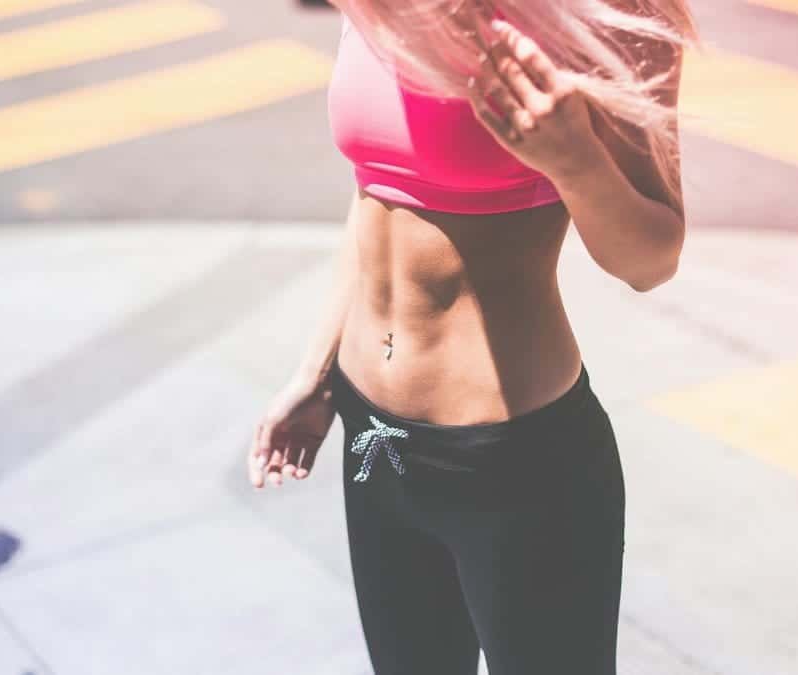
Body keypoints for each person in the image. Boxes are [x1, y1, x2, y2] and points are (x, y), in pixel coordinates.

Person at [248, 0, 697, 672]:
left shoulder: (612, 13)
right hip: (376, 439)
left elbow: (651, 261)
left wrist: (574, 161)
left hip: (514, 460)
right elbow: (376, 194)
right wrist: (315, 375)